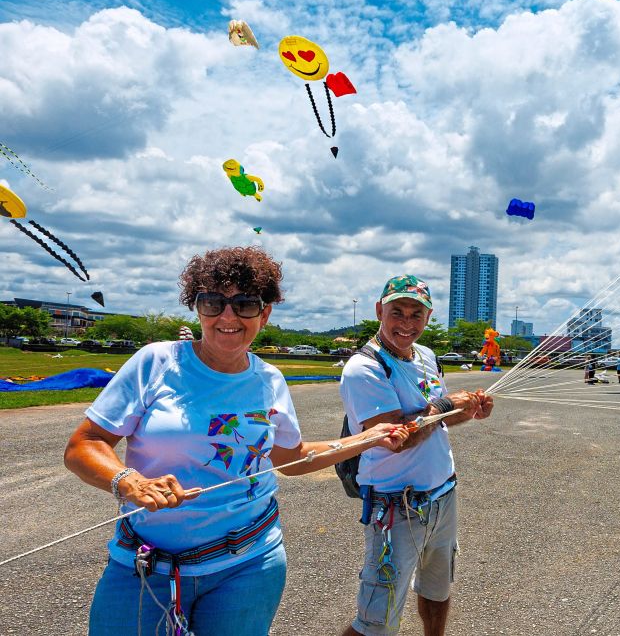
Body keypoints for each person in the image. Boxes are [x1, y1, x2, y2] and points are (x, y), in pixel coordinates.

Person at [64, 246, 409, 636]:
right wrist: (130, 480)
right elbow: (84, 444)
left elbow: (291, 460)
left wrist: (367, 438)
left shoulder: (270, 380)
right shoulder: (156, 362)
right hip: (146, 566)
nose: (227, 316)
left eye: (244, 304)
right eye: (213, 302)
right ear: (197, 308)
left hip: (249, 565)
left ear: (265, 313)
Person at [340, 274, 494, 636]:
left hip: (443, 494)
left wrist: (469, 410)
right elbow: (396, 437)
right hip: (396, 506)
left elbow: (439, 422)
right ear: (380, 311)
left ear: (428, 317)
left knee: (438, 589)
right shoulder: (364, 368)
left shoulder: (425, 355)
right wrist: (444, 404)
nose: (406, 323)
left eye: (416, 314)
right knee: (375, 620)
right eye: (398, 312)